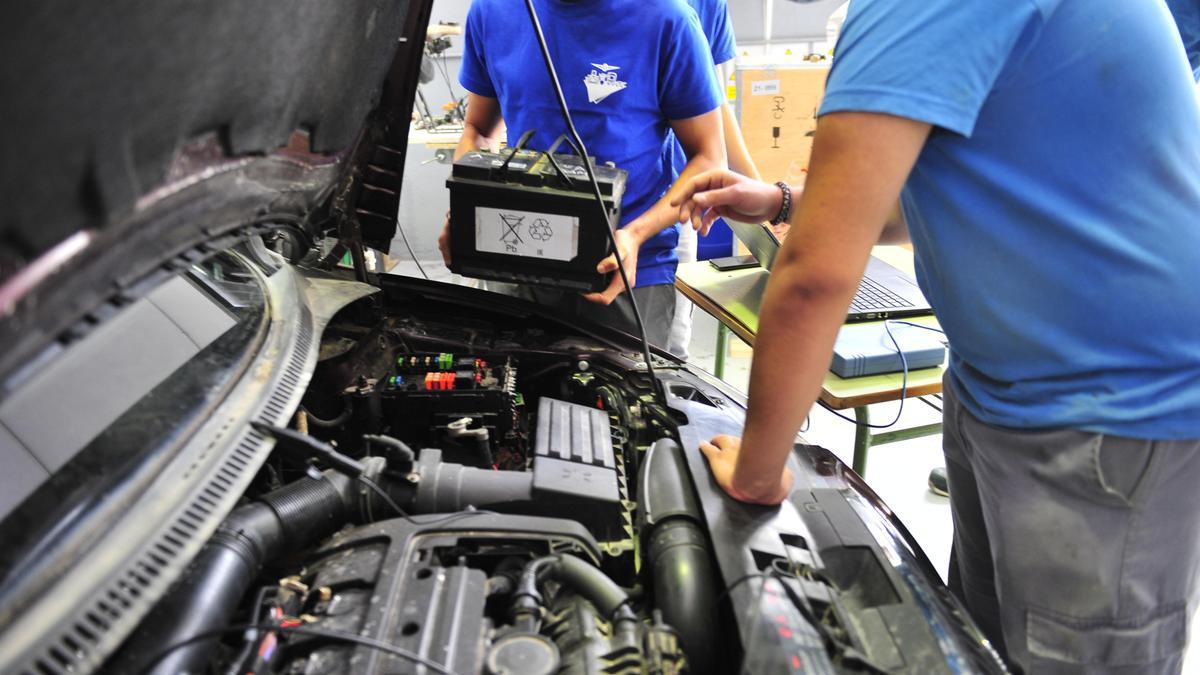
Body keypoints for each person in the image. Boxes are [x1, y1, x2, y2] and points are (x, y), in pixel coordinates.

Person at [673, 1, 1200, 672]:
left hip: (1107, 412)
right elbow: (922, 191)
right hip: (1001, 389)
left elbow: (813, 278)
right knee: (981, 649)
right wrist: (782, 201)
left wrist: (754, 474)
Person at [439, 0, 726, 348]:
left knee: (626, 397)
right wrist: (464, 210)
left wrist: (635, 235)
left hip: (624, 271)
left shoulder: (667, 18)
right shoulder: (492, 10)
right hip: (516, 259)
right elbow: (478, 129)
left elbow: (708, 158)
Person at [667, 0, 762, 360]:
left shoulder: (704, 5)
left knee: (667, 349)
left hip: (672, 203)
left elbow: (716, 108)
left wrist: (766, 197)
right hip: (570, 199)